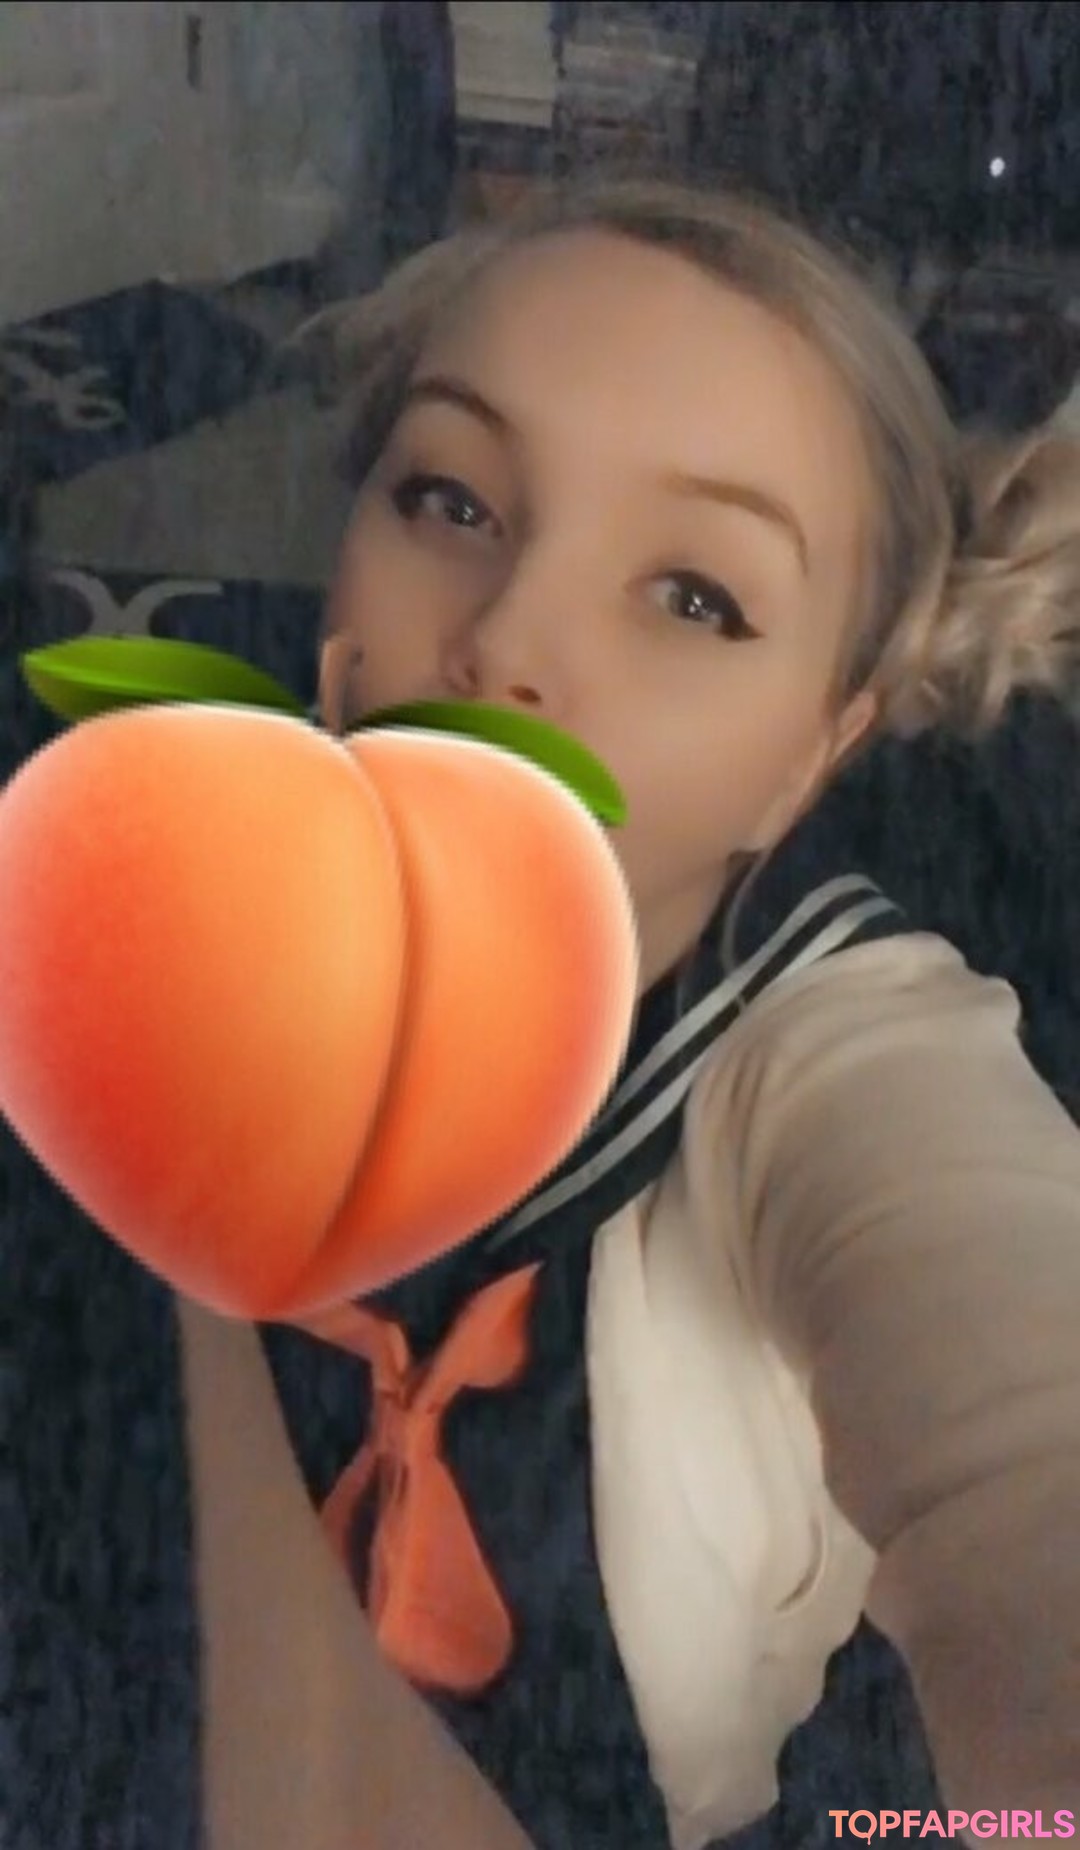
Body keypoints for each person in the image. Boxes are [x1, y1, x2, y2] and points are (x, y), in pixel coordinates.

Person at [178, 178, 1080, 1850]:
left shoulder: (838, 1073)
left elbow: (1030, 1435)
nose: (505, 640)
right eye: (450, 497)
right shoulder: (151, 880)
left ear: (814, 752)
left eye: (694, 596)